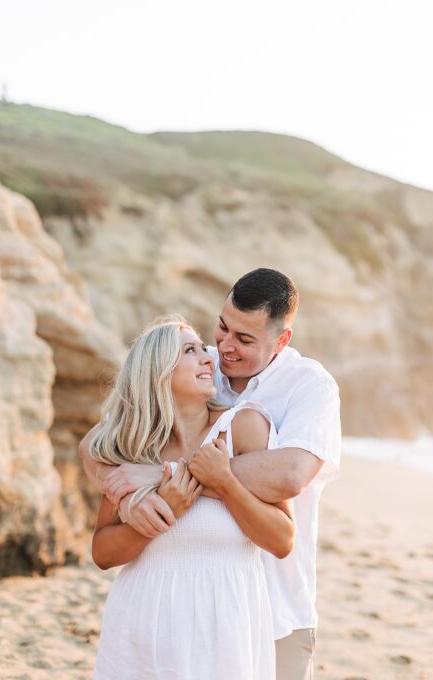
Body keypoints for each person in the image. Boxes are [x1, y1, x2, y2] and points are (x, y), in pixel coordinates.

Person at [81, 268, 341, 680]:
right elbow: (96, 446)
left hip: (275, 604)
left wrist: (171, 477)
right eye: (221, 328)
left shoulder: (307, 386)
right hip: (157, 612)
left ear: (281, 340)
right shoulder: (207, 370)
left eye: (244, 339)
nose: (223, 348)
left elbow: (291, 474)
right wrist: (135, 494)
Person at [89, 317, 293, 679]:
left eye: (203, 348)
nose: (208, 359)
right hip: (144, 627)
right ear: (158, 370)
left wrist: (225, 482)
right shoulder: (137, 447)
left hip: (226, 628)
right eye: (190, 350)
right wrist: (166, 509)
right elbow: (103, 554)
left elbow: (281, 540)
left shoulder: (242, 427)